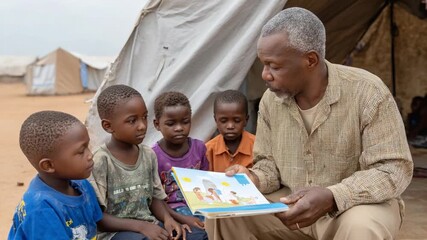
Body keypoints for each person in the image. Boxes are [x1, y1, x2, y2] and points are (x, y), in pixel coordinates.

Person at [205, 7, 413, 240]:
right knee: (222, 213)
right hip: (291, 206)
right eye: (263, 64)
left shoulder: (367, 92)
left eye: (274, 66)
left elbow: (393, 169)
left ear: (310, 60)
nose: (265, 75)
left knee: (361, 228)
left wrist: (333, 196)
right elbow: (268, 166)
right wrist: (252, 178)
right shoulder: (270, 102)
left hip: (352, 207)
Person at [89, 85, 207, 240]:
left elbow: (155, 198)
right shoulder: (101, 161)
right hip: (115, 233)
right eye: (132, 121)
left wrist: (168, 220)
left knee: (196, 235)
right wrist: (142, 227)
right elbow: (99, 218)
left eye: (144, 117)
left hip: (149, 224)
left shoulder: (147, 155)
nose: (142, 126)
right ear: (108, 126)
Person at [8, 111, 102, 239]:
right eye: (81, 151)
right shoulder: (40, 209)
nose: (90, 155)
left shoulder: (80, 184)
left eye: (88, 146)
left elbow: (99, 221)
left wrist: (137, 225)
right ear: (48, 166)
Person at [152, 91, 209, 229]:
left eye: (185, 122)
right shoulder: (153, 156)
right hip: (173, 210)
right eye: (171, 124)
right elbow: (156, 200)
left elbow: (207, 183)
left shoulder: (199, 148)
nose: (179, 128)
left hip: (201, 205)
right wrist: (182, 218)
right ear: (157, 124)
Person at [205, 90, 255, 172]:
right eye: (224, 121)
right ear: (216, 120)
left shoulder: (257, 147)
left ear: (246, 120)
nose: (230, 126)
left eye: (237, 120)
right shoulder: (208, 150)